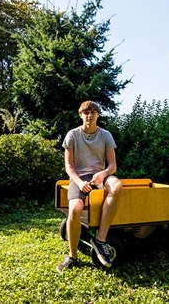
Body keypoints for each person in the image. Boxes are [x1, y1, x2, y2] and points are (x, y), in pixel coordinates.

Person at [57, 100, 123, 272]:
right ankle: (72, 256)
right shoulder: (72, 135)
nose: (89, 115)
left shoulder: (106, 135)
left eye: (93, 112)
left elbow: (113, 166)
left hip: (99, 177)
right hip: (79, 178)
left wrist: (103, 174)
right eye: (86, 112)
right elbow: (69, 166)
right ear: (80, 115)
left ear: (98, 115)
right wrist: (79, 182)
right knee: (75, 209)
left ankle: (100, 239)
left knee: (116, 186)